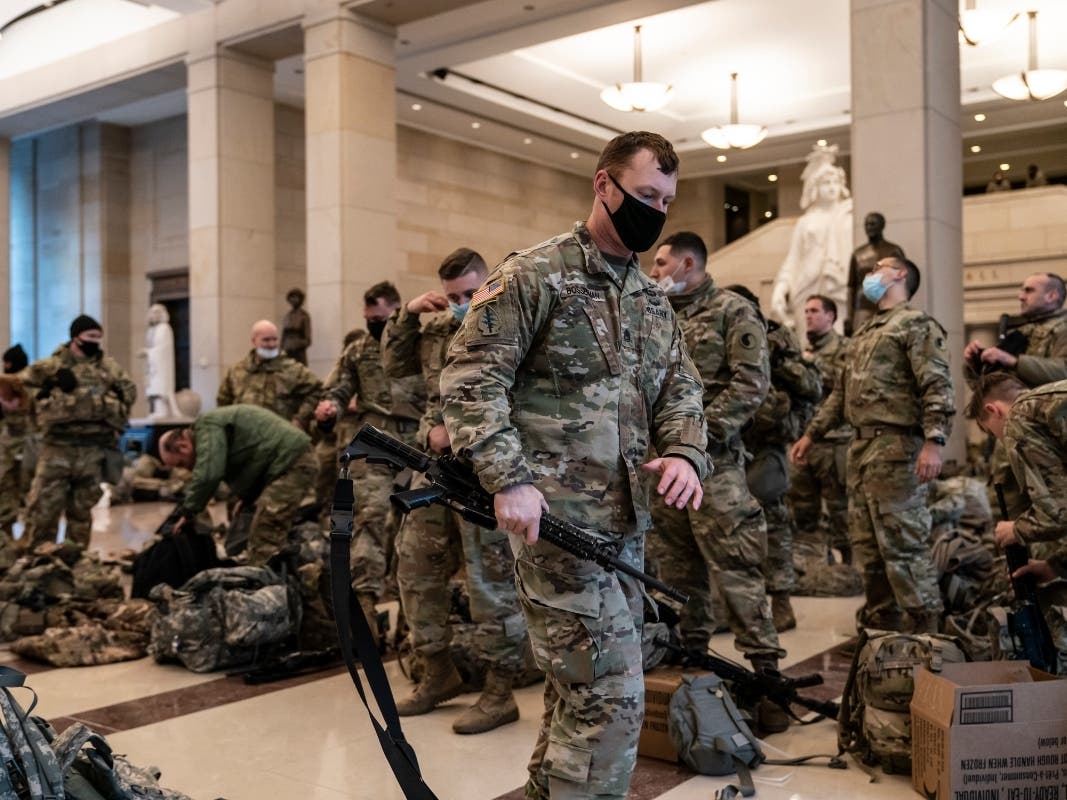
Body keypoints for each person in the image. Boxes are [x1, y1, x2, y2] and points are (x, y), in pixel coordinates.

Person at [440, 132, 709, 800]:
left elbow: (681, 392)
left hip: (625, 525)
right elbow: (470, 380)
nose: (655, 211)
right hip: (554, 524)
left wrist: (683, 452)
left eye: (666, 201)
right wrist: (509, 478)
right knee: (612, 694)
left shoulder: (649, 299)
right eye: (645, 195)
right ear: (603, 185)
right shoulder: (536, 274)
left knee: (579, 684)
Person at [381, 247, 527, 735]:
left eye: (470, 292)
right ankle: (437, 671)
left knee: (490, 579)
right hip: (435, 468)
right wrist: (405, 315)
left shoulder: (510, 323)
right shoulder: (438, 330)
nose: (463, 302)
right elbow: (393, 365)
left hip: (485, 469)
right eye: (453, 296)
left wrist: (461, 434)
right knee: (416, 566)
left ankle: (499, 690)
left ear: (488, 284)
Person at [791, 257, 955, 634]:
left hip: (898, 450)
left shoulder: (916, 324)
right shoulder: (865, 332)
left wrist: (935, 440)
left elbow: (937, 383)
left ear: (899, 275)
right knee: (868, 549)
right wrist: (811, 434)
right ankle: (884, 631)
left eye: (879, 266)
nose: (870, 273)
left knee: (904, 546)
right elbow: (839, 395)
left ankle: (927, 633)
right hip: (861, 452)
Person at [314, 281, 425, 637]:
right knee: (369, 519)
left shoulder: (418, 343)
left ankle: (411, 620)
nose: (374, 324)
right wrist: (329, 406)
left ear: (395, 311)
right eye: (369, 319)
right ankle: (366, 608)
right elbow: (337, 386)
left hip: (415, 446)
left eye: (380, 318)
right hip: (372, 444)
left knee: (412, 529)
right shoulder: (358, 349)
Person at [727, 284, 822, 634]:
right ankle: (735, 606)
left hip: (766, 445)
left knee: (774, 524)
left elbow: (811, 386)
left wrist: (779, 356)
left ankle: (781, 601)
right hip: (728, 442)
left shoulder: (776, 336)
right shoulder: (722, 330)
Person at [967, 372, 1067, 673]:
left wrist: (1016, 530)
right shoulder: (1052, 402)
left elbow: (1058, 511)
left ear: (993, 411)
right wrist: (1056, 566)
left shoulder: (1020, 417)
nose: (1000, 440)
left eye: (992, 433)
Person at [18, 315, 136, 550]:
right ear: (75, 337)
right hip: (57, 448)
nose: (95, 342)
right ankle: (41, 562)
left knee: (81, 513)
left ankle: (75, 563)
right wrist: (47, 390)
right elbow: (20, 389)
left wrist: (113, 402)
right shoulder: (50, 366)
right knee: (44, 510)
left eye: (98, 337)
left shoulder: (109, 368)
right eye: (90, 336)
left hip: (93, 449)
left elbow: (129, 392)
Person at [158, 404, 317, 566]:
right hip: (283, 464)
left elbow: (209, 474)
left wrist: (188, 511)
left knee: (265, 532)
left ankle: (265, 585)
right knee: (248, 531)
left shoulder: (206, 426)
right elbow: (254, 457)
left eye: (181, 464)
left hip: (293, 462)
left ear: (183, 447)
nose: (186, 469)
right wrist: (247, 497)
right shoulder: (209, 431)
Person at [963, 273, 1067, 514]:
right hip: (1007, 438)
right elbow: (997, 388)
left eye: (1029, 290)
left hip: (1044, 439)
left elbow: (1063, 372)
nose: (1020, 295)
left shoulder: (1062, 330)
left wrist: (1014, 361)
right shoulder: (1020, 330)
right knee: (1004, 510)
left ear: (1052, 295)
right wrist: (975, 366)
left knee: (1048, 513)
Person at [789, 295, 852, 564]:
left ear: (831, 316)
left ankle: (848, 562)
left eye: (814, 311)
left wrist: (804, 366)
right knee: (803, 506)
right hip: (802, 439)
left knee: (839, 507)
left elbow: (842, 382)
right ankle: (816, 562)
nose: (808, 316)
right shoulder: (805, 351)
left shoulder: (844, 348)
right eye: (806, 311)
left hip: (833, 440)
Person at [770, 143, 853, 335]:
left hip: (838, 286)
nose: (832, 188)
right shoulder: (805, 222)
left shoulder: (849, 215)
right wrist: (780, 289)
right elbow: (793, 259)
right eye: (826, 183)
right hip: (806, 286)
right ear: (815, 187)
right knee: (808, 345)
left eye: (835, 182)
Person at [216, 320, 321, 429]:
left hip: (280, 437)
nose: (271, 344)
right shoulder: (237, 371)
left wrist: (300, 420)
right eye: (266, 340)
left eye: (274, 339)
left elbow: (317, 391)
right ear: (254, 341)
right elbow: (223, 402)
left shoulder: (293, 369)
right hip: (243, 438)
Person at [845, 212, 906, 334]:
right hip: (862, 307)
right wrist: (849, 317)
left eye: (873, 224)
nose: (869, 227)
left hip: (888, 304)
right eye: (867, 224)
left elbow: (903, 283)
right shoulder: (858, 254)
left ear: (882, 226)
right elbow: (851, 287)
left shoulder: (894, 250)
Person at [0, 344, 31, 540]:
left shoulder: (30, 387)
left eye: (7, 363)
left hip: (26, 450)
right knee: (7, 496)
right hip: (11, 450)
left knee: (28, 497)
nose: (5, 366)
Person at [139, 304, 179, 419]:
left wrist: (147, 352)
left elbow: (162, 348)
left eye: (157, 312)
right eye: (152, 312)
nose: (154, 315)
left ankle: (163, 411)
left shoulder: (164, 328)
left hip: (161, 364)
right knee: (153, 387)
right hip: (153, 364)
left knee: (160, 387)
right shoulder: (151, 330)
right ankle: (158, 410)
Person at [281, 288, 312, 365]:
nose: (293, 300)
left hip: (298, 354)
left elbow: (308, 339)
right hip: (287, 352)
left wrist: (296, 344)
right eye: (292, 297)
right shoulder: (287, 316)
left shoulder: (304, 316)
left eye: (296, 297)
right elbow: (283, 336)